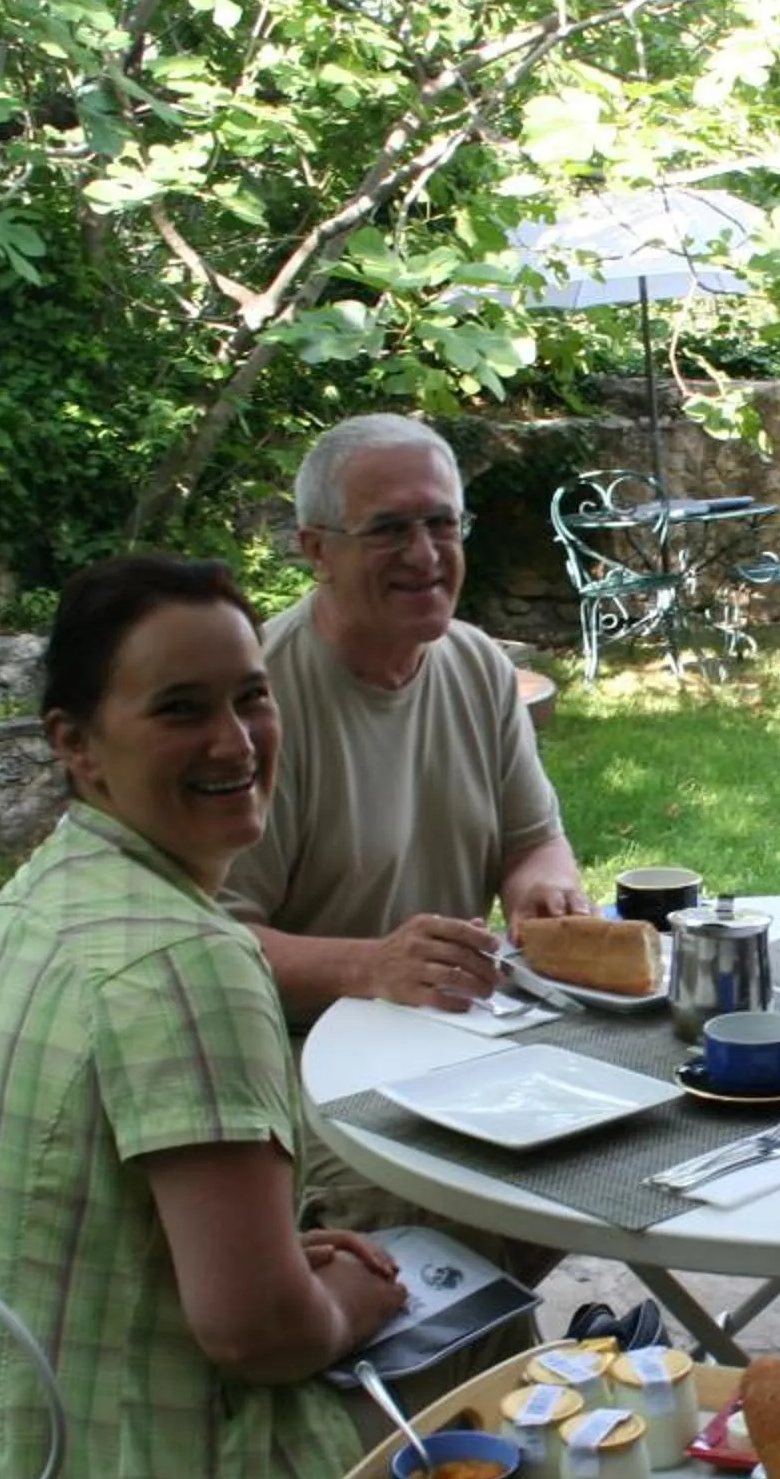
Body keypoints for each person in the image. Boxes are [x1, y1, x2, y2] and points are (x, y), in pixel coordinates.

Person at [0, 554, 403, 1479]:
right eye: (180, 709)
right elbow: (260, 1334)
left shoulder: (44, 893)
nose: (235, 740)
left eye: (250, 696)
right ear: (75, 744)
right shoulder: (189, 961)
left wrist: (282, 1256)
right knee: (515, 1386)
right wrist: (356, 1293)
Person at [218, 412, 591, 1258]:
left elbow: (533, 838)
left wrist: (543, 889)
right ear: (316, 549)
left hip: (462, 1035)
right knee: (439, 1232)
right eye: (389, 529)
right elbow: (216, 945)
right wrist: (372, 966)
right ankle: (456, 1378)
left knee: (630, 1142)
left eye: (442, 523)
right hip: (307, 1058)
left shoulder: (477, 664)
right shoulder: (256, 706)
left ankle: (517, 1375)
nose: (426, 554)